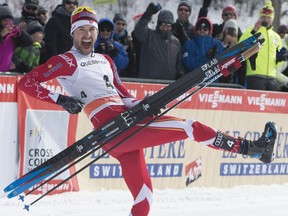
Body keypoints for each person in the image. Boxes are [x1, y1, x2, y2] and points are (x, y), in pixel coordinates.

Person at [18, 6, 277, 216]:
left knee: (144, 201)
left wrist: (146, 106)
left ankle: (254, 149)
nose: (87, 35)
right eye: (82, 30)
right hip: (112, 129)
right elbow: (26, 82)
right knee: (190, 127)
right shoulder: (66, 61)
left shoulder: (105, 60)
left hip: (126, 125)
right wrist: (61, 99)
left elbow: (123, 95)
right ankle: (251, 149)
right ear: (73, 34)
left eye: (92, 30)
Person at [134, 3, 185, 80]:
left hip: (169, 84)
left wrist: (180, 73)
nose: (165, 27)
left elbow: (179, 63)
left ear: (172, 26)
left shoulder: (176, 42)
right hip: (148, 82)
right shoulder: (149, 35)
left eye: (168, 25)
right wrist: (147, 15)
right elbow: (138, 31)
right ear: (158, 24)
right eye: (163, 24)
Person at [239, 0, 282, 91]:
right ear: (259, 17)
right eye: (263, 17)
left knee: (271, 105)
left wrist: (280, 58)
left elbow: (279, 61)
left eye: (268, 17)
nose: (265, 19)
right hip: (255, 75)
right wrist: (254, 31)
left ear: (272, 19)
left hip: (271, 77)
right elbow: (241, 45)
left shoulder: (276, 36)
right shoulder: (252, 30)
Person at [0, 4, 33, 72]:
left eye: (10, 20)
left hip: (6, 72)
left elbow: (29, 42)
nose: (7, 23)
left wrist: (19, 32)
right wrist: (1, 35)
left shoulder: (12, 36)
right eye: (5, 20)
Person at [113, 13, 137, 77]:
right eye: (118, 24)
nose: (120, 27)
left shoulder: (128, 42)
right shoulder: (108, 38)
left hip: (124, 77)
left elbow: (132, 62)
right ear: (113, 24)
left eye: (123, 24)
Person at [217, 19, 240, 84]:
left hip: (233, 84)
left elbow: (241, 72)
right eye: (228, 30)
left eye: (233, 31)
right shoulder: (217, 46)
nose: (230, 34)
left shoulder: (239, 49)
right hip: (218, 81)